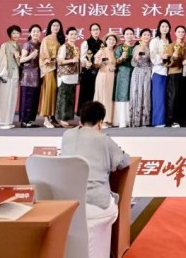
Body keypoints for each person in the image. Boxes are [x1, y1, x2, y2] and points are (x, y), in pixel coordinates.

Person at [60, 101, 130, 258]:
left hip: (68, 203)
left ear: (80, 119)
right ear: (100, 122)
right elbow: (124, 161)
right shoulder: (103, 139)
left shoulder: (66, 136)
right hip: (96, 204)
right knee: (109, 209)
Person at [39, 19, 64, 129]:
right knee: (49, 93)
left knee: (56, 94)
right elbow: (43, 55)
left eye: (58, 25)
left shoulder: (61, 39)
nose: (56, 27)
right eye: (54, 25)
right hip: (49, 69)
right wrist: (48, 60)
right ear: (50, 27)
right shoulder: (46, 39)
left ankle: (53, 117)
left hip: (59, 70)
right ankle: (46, 119)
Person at [0, 25, 21, 130]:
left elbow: (20, 62)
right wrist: (3, 72)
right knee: (4, 98)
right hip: (6, 74)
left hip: (15, 74)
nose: (16, 35)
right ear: (9, 34)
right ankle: (2, 122)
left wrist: (18, 58)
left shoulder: (19, 46)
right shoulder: (4, 45)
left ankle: (9, 121)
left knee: (12, 98)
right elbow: (2, 60)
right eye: (14, 33)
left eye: (18, 33)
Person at [56, 27, 80, 128]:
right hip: (65, 76)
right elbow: (60, 61)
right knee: (64, 98)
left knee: (71, 98)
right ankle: (61, 119)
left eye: (75, 34)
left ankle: (67, 118)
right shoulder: (64, 47)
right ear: (67, 36)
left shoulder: (76, 48)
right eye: (71, 34)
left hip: (73, 76)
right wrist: (71, 60)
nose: (73, 36)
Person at [19, 24, 42, 128]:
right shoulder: (27, 45)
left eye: (38, 31)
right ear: (30, 33)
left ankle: (30, 120)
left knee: (34, 98)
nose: (36, 33)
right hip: (27, 76)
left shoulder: (41, 45)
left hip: (37, 75)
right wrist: (31, 56)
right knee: (27, 98)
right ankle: (24, 121)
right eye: (34, 31)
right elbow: (21, 60)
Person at [149, 19, 171, 128]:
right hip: (158, 71)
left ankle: (167, 120)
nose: (165, 28)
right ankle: (158, 121)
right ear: (159, 28)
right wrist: (161, 57)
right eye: (163, 26)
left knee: (167, 97)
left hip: (169, 71)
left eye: (167, 26)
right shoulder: (154, 41)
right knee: (159, 97)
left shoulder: (170, 41)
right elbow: (153, 56)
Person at [129, 29, 153, 127]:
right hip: (138, 72)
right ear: (140, 37)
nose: (146, 37)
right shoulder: (137, 47)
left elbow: (152, 61)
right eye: (144, 35)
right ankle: (136, 120)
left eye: (148, 35)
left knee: (146, 95)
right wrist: (137, 57)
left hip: (148, 72)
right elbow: (133, 63)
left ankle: (145, 120)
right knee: (137, 94)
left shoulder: (151, 47)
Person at [93, 34, 118, 127]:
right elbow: (96, 64)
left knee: (108, 97)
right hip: (103, 75)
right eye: (110, 39)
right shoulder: (102, 51)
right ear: (106, 41)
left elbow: (115, 64)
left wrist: (114, 67)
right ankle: (100, 120)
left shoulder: (114, 52)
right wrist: (103, 63)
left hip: (111, 77)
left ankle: (107, 119)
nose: (112, 41)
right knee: (102, 97)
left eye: (113, 40)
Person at [166, 26, 186, 128]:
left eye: (183, 32)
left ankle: (181, 120)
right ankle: (172, 120)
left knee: (182, 97)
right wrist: (173, 58)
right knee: (173, 97)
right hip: (174, 73)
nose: (181, 33)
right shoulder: (171, 46)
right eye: (179, 31)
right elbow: (167, 63)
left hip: (184, 73)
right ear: (175, 33)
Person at [78, 23, 103, 115]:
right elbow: (82, 58)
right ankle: (83, 114)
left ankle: (94, 114)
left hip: (98, 71)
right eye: (93, 30)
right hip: (87, 72)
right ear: (91, 31)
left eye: (97, 29)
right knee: (86, 93)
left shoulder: (102, 43)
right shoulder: (86, 42)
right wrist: (87, 63)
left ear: (100, 30)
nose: (95, 31)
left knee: (95, 93)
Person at [114, 28, 135, 129]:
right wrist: (121, 58)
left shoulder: (136, 47)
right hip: (122, 74)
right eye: (127, 34)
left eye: (131, 34)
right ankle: (122, 120)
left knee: (133, 95)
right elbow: (116, 61)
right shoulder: (120, 48)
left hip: (134, 73)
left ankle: (131, 120)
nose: (129, 36)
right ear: (124, 36)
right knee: (122, 95)